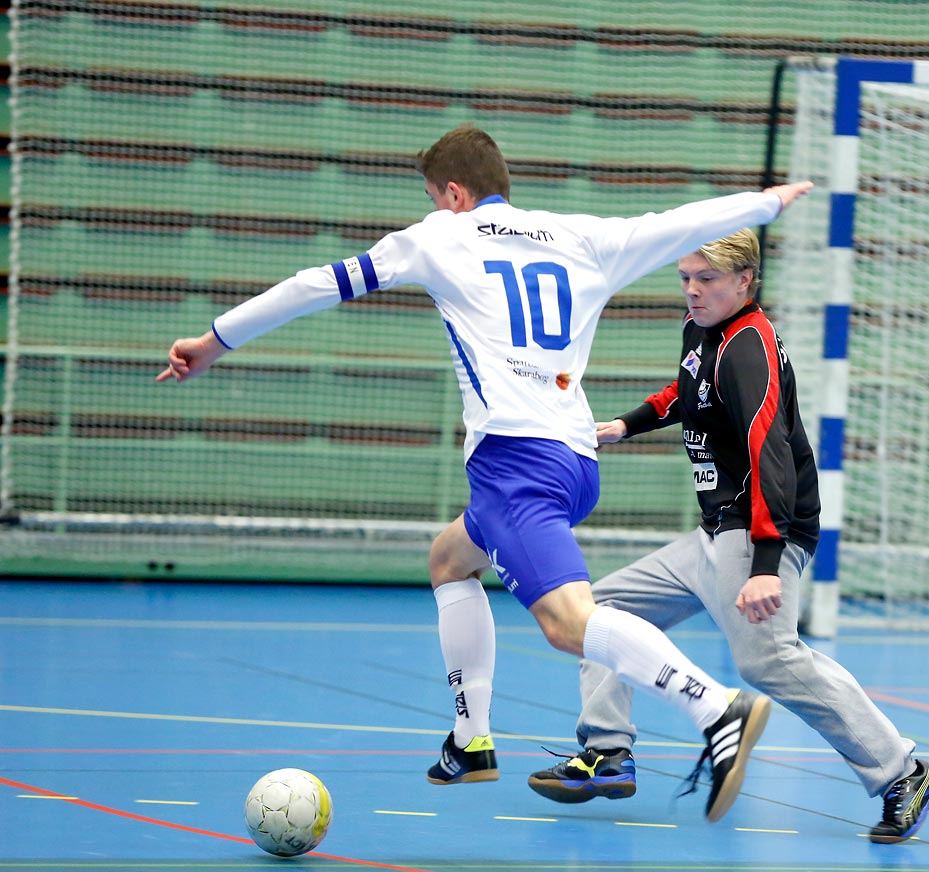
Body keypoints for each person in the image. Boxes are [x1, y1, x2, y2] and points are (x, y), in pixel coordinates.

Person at [157, 124, 814, 824]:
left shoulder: (441, 237)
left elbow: (315, 284)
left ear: (454, 193)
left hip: (515, 464)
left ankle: (717, 710)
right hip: (573, 458)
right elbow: (676, 222)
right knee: (450, 557)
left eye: (436, 199)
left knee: (569, 624)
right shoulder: (579, 236)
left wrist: (212, 341)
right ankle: (471, 739)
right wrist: (765, 203)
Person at [526, 229, 929, 843]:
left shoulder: (750, 347)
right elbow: (687, 392)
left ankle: (903, 772)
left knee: (769, 660)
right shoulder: (704, 328)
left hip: (759, 531)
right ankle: (608, 754)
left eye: (707, 279)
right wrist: (626, 425)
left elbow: (769, 452)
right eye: (685, 278)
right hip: (717, 530)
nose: (692, 290)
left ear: (745, 279)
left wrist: (765, 566)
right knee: (603, 611)